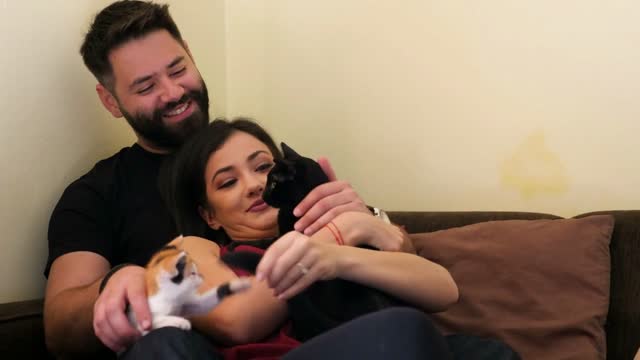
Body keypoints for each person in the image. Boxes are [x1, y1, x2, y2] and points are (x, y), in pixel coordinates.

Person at [43, 1, 370, 358]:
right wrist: (122, 281)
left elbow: (388, 261)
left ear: (192, 58)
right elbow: (59, 330)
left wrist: (367, 224)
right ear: (111, 101)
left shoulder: (262, 159)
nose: (173, 92)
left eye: (177, 69)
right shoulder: (94, 195)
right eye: (146, 86)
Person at [158, 118, 460, 359]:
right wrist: (334, 238)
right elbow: (238, 319)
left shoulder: (345, 226)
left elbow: (444, 291)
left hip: (391, 343)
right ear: (209, 215)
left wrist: (348, 240)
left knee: (483, 351)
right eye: (228, 182)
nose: (254, 185)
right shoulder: (211, 254)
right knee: (400, 330)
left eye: (263, 167)